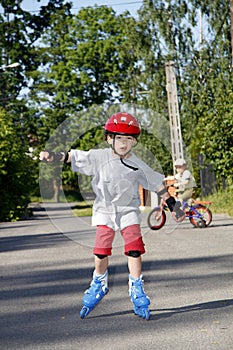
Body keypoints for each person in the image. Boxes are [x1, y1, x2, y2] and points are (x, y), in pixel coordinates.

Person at [40, 112, 185, 320]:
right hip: (104, 210)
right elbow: (75, 156)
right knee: (101, 250)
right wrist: (54, 156)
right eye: (119, 138)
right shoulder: (100, 157)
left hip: (128, 211)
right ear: (109, 138)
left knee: (134, 249)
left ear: (134, 141)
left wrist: (172, 205)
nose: (124, 143)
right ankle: (99, 282)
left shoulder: (137, 163)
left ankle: (136, 286)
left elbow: (156, 183)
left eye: (128, 139)